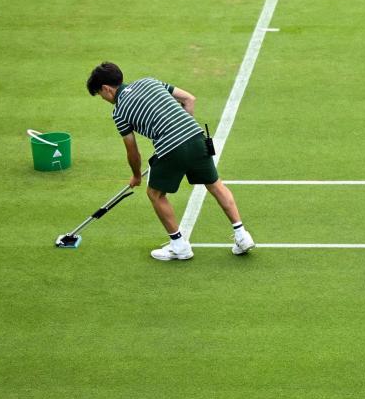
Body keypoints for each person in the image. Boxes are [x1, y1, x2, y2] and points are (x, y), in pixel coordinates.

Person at [86, 62, 254, 261]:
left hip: (171, 148)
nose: (103, 99)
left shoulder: (119, 112)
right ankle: (242, 236)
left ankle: (179, 246)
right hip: (196, 137)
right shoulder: (149, 81)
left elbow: (133, 153)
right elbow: (189, 99)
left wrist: (136, 176)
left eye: (100, 94)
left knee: (155, 194)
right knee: (215, 184)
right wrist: (184, 127)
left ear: (107, 89)